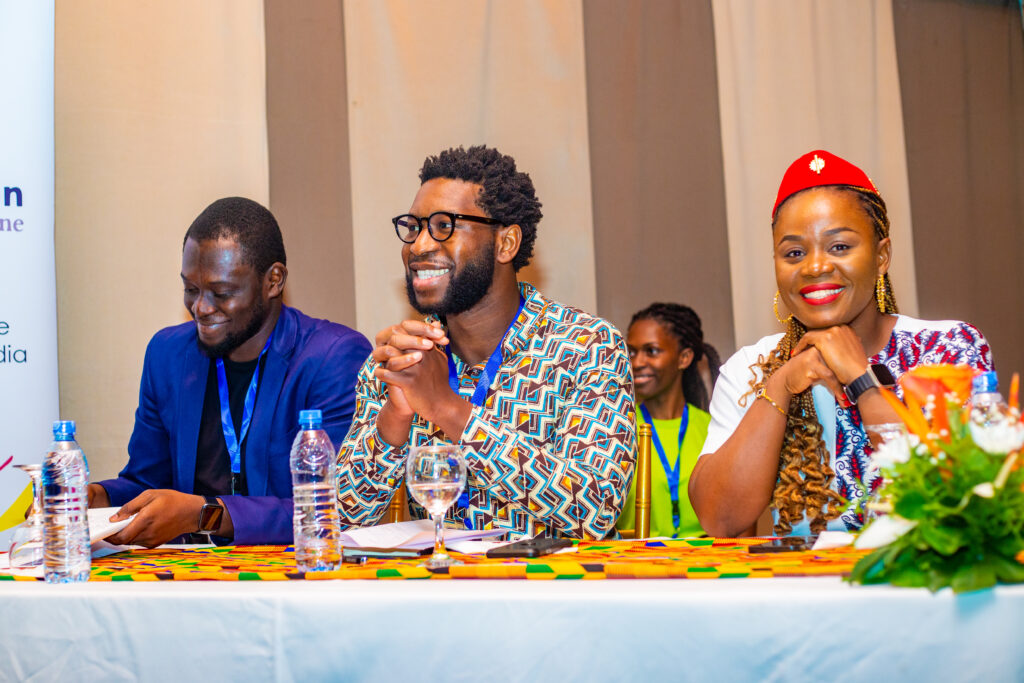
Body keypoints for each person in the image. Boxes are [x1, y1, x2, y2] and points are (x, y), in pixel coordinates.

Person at [336, 146, 636, 540]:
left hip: (549, 592)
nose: (419, 245)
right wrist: (394, 416)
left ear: (506, 243)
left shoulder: (586, 346)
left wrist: (449, 410)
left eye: (444, 225)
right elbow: (339, 519)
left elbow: (594, 509)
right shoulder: (407, 356)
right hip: (437, 591)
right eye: (414, 227)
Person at [689, 150, 993, 537]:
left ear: (881, 255)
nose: (815, 266)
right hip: (798, 591)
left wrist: (861, 380)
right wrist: (781, 385)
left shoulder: (947, 347)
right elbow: (721, 520)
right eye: (794, 253)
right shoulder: (752, 366)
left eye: (839, 247)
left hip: (917, 587)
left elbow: (957, 503)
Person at [89, 197, 371, 547]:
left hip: (293, 578)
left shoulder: (332, 357)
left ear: (274, 280)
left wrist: (205, 513)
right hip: (189, 577)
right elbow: (148, 482)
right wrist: (93, 498)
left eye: (221, 293)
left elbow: (331, 509)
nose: (201, 308)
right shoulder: (167, 355)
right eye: (191, 290)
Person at [617, 303, 718, 538]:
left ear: (684, 358)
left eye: (651, 351)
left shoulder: (714, 430)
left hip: (706, 567)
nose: (637, 362)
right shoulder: (616, 430)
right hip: (636, 567)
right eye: (631, 352)